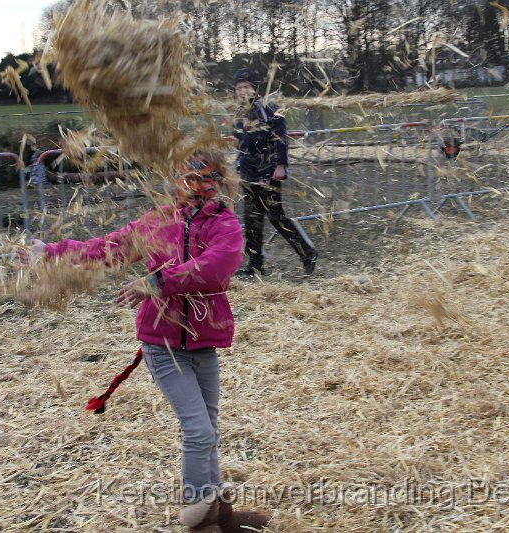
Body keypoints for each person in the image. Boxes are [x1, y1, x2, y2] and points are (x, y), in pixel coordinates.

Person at [20, 150, 270, 532]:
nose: (198, 186)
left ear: (221, 181)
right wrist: (50, 253)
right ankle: (199, 523)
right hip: (163, 343)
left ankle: (222, 516)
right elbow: (110, 248)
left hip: (203, 341)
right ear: (175, 179)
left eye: (207, 178)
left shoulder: (225, 224)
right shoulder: (158, 221)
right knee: (198, 431)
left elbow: (216, 266)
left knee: (209, 429)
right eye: (189, 177)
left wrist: (154, 282)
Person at [232, 67, 318, 277]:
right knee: (252, 220)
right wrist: (237, 170)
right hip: (248, 175)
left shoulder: (269, 108)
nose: (243, 91)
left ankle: (308, 254)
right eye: (239, 88)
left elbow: (281, 138)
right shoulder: (238, 114)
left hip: (268, 174)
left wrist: (281, 165)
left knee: (277, 218)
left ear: (255, 88)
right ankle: (255, 265)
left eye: (246, 87)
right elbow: (239, 144)